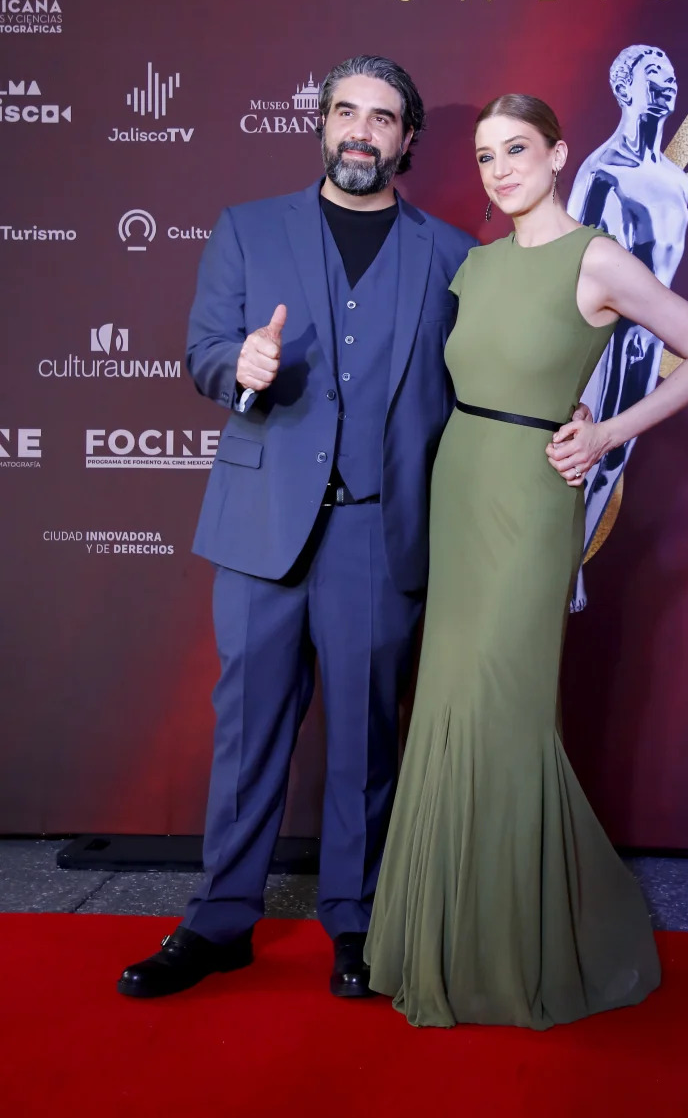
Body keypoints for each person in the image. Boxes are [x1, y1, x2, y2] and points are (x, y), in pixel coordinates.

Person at [365, 93, 688, 1029]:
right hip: (459, 487)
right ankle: (439, 939)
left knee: (503, 707)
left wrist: (606, 429)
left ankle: (515, 947)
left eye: (517, 149)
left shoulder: (599, 258)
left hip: (531, 501)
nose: (498, 169)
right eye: (486, 155)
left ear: (561, 154)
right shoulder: (476, 265)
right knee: (448, 701)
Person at [117, 55, 478, 1000]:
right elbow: (202, 355)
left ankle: (356, 924)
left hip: (378, 531)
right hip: (262, 526)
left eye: (384, 118)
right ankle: (219, 920)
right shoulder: (247, 230)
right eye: (346, 112)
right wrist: (243, 361)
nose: (362, 130)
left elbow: (472, 387)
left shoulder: (449, 253)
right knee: (247, 733)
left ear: (408, 140)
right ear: (322, 124)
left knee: (365, 740)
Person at [566, 44, 688, 609]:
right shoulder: (601, 170)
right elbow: (566, 263)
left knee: (616, 455)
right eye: (652, 76)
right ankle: (563, 569)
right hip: (603, 336)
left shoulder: (676, 178)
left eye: (670, 75)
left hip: (649, 338)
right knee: (581, 455)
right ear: (624, 89)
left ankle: (573, 562)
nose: (666, 84)